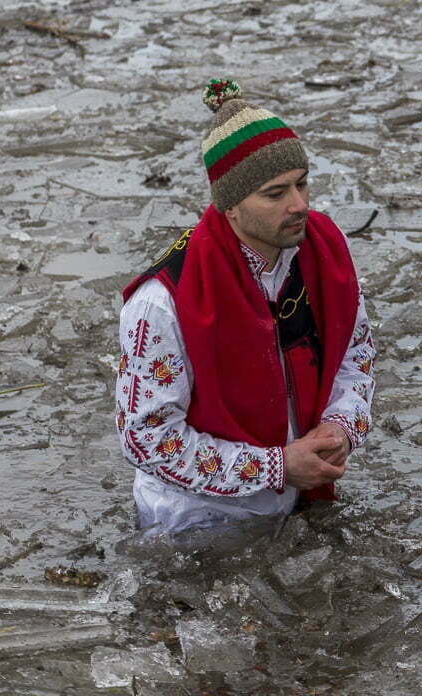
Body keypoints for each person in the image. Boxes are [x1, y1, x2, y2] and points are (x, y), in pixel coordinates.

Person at [112, 79, 375, 534]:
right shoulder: (162, 303)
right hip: (198, 525)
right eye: (275, 194)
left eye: (302, 184)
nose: (299, 205)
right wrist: (276, 467)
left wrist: (340, 427)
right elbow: (147, 438)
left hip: (299, 498)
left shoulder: (325, 252)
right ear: (229, 205)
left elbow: (356, 354)